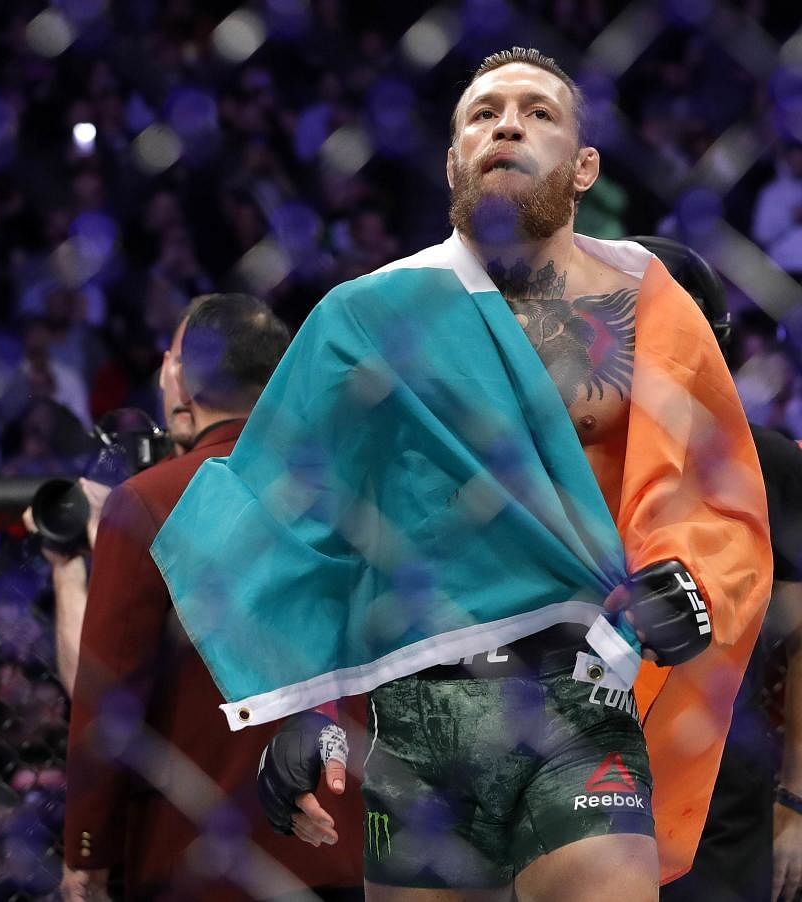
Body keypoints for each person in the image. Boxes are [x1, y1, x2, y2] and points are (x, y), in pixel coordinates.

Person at [153, 47, 772, 901]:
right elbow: (289, 520)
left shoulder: (646, 304)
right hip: (419, 709)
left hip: (581, 689)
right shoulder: (370, 317)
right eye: (484, 114)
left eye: (538, 112)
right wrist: (306, 709)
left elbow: (717, 491)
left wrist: (693, 580)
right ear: (454, 160)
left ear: (585, 165)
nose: (508, 124)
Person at [59, 293, 365, 901]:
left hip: (196, 861)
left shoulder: (148, 503)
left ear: (182, 378)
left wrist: (86, 853)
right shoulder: (352, 497)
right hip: (345, 850)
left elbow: (109, 698)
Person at [631, 236, 802, 902]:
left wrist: (794, 800)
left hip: (721, 804)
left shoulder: (767, 465)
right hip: (577, 790)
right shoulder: (563, 465)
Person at [22, 303, 198, 696]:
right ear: (165, 369)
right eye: (183, 365)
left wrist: (112, 538)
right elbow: (86, 690)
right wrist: (66, 566)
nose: (190, 385)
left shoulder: (252, 492)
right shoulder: (136, 482)